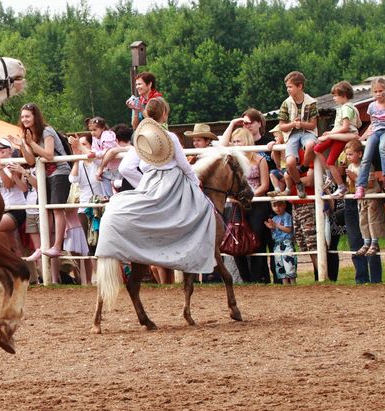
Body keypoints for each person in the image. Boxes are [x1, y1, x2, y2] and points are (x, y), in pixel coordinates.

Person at [100, 97, 216, 276]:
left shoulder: (141, 137)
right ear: (164, 114)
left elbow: (125, 168)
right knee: (204, 209)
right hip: (172, 184)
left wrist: (143, 186)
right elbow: (184, 166)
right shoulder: (170, 137)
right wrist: (195, 183)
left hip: (148, 182)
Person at [7, 103, 71, 282]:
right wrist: (23, 145)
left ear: (35, 116)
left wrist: (31, 143)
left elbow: (49, 155)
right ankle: (47, 246)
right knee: (48, 210)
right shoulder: (30, 135)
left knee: (57, 208)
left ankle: (57, 245)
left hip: (60, 171)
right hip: (46, 175)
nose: (24, 119)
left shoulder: (47, 131)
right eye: (22, 117)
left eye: (27, 116)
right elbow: (31, 161)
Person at [229, 127, 271, 283]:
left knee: (256, 239)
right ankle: (245, 278)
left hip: (257, 203)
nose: (235, 144)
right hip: (238, 204)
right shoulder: (233, 161)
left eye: (238, 140)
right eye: (233, 141)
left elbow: (265, 185)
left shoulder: (260, 160)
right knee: (237, 240)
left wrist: (251, 196)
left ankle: (256, 277)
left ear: (246, 141)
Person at [354, 77, 385, 199]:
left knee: (383, 147)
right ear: (372, 92)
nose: (379, 94)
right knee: (366, 156)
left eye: (381, 91)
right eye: (376, 91)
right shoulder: (371, 106)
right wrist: (362, 137)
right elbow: (372, 124)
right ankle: (360, 186)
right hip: (375, 132)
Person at [342, 140, 381, 281]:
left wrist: (355, 177)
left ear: (360, 154)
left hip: (370, 198)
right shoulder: (351, 165)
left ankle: (376, 278)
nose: (348, 157)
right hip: (358, 200)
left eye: (350, 154)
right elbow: (351, 185)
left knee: (372, 224)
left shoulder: (367, 165)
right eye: (347, 155)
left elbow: (369, 183)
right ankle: (361, 277)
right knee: (361, 230)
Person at [312, 81, 359, 197]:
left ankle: (341, 186)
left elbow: (345, 127)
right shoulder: (342, 108)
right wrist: (330, 133)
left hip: (343, 136)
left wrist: (330, 135)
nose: (334, 98)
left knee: (330, 161)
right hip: (338, 134)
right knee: (317, 148)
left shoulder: (347, 108)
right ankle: (329, 173)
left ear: (344, 95)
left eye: (335, 96)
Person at [277, 71, 318, 198]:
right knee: (289, 162)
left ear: (299, 86)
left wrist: (301, 124)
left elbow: (313, 125)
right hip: (292, 135)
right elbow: (282, 126)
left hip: (307, 132)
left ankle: (304, 167)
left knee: (311, 145)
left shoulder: (311, 102)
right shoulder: (286, 103)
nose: (288, 90)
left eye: (290, 87)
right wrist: (293, 125)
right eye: (287, 87)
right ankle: (298, 183)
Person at [0, 139, 28, 255]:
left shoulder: (14, 164)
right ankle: (18, 269)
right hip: (2, 209)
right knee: (13, 244)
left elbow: (8, 185)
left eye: (2, 147)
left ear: (10, 150)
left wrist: (0, 168)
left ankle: (8, 262)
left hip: (17, 208)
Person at [265, 200, 297, 284]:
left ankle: (293, 282)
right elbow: (275, 231)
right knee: (279, 264)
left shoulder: (287, 216)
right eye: (274, 206)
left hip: (287, 243)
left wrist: (276, 225)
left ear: (284, 205)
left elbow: (288, 229)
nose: (277, 208)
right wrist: (271, 227)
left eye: (279, 205)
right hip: (277, 243)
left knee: (289, 263)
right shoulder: (274, 218)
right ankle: (285, 284)